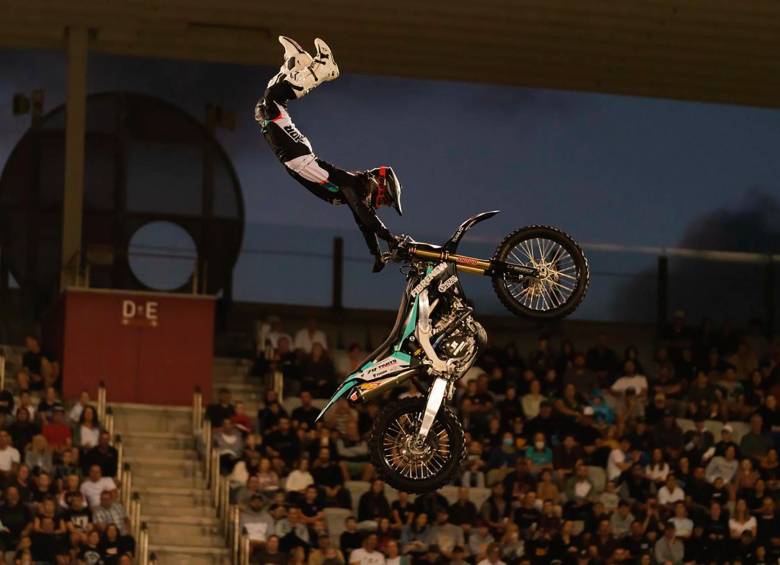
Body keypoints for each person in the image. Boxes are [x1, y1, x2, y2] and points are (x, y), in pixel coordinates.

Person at [255, 36, 402, 272]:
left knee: (265, 106)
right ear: (379, 184)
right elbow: (366, 218)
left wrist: (377, 254)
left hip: (296, 157)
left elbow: (363, 222)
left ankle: (295, 62)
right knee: (271, 101)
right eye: (385, 199)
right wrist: (390, 238)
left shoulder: (354, 193)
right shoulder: (354, 185)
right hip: (298, 156)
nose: (380, 203)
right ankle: (323, 69)